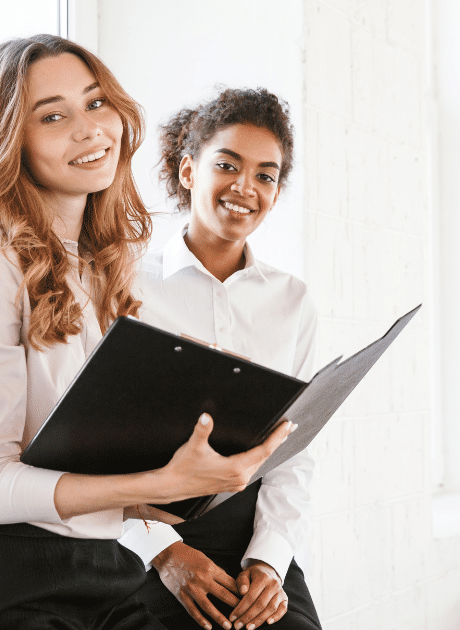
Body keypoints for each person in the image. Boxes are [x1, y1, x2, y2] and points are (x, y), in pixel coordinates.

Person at [0, 37, 293, 630]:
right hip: (2, 573)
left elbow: (68, 451)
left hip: (100, 563)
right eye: (52, 115)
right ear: (11, 141)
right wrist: (158, 482)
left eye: (96, 103)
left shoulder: (97, 264)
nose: (89, 130)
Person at [123, 88, 321, 630]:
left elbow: (293, 454)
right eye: (227, 165)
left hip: (251, 530)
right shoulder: (126, 288)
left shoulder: (292, 301)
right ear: (188, 171)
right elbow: (92, 449)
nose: (246, 187)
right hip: (143, 529)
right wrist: (165, 553)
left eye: (266, 175)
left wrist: (269, 561)